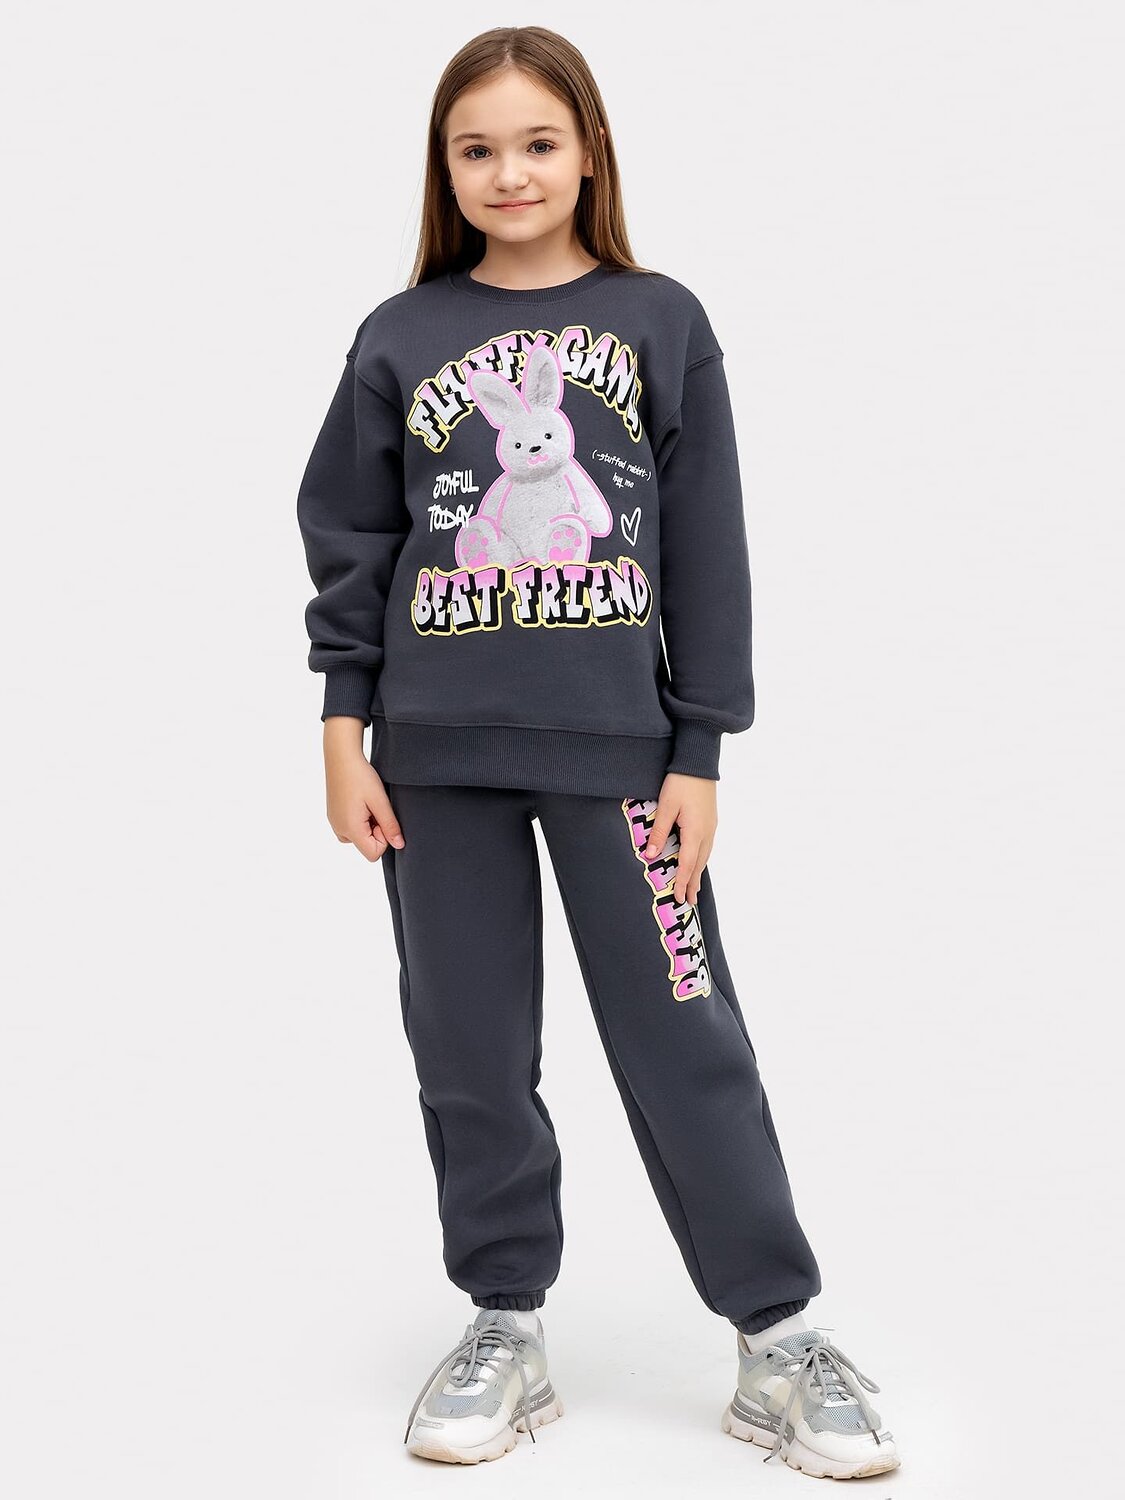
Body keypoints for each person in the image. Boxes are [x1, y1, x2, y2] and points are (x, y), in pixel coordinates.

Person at [295, 24, 900, 1479]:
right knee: (467, 1047)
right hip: (431, 754)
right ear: (445, 168)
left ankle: (776, 1334)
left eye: (537, 143)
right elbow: (352, 536)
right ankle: (503, 1317)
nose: (508, 172)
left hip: (624, 754)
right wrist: (340, 727)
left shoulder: (659, 321)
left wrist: (701, 748)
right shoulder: (398, 335)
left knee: (685, 1038)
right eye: (477, 148)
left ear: (589, 153)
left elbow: (707, 549)